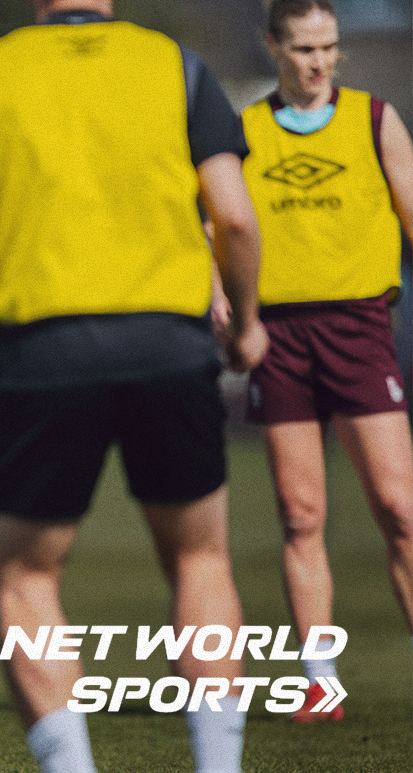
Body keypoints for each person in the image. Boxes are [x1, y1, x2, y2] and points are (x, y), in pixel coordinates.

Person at [0, 1, 268, 771]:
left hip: (44, 351)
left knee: (27, 575)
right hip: (167, 340)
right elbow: (235, 218)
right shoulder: (176, 65)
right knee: (199, 561)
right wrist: (248, 320)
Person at [235, 0, 413, 723]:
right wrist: (224, 301)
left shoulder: (374, 119)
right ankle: (319, 681)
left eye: (328, 47)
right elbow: (216, 227)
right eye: (303, 47)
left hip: (358, 327)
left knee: (399, 509)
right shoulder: (242, 131)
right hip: (277, 336)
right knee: (300, 513)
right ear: (272, 47)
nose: (318, 61)